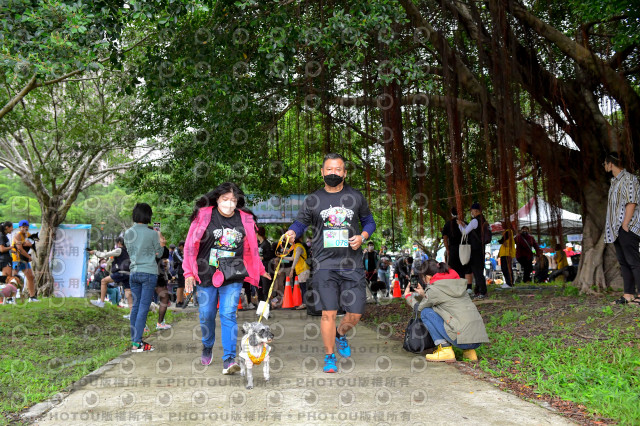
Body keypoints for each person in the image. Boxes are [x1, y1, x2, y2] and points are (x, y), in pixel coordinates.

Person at [283, 153, 376, 373]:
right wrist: (291, 232)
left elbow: (369, 221)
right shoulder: (313, 199)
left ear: (344, 173)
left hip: (351, 264)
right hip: (324, 264)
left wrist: (362, 237)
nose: (333, 173)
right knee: (328, 313)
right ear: (322, 172)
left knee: (355, 313)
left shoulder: (355, 197)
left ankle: (340, 333)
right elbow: (300, 222)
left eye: (338, 170)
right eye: (329, 170)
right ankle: (329, 356)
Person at [183, 182, 270, 372]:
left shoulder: (245, 219)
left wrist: (260, 269)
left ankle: (229, 359)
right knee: (206, 314)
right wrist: (188, 272)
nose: (229, 204)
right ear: (217, 199)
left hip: (233, 274)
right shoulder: (204, 215)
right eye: (225, 199)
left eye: (233, 200)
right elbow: (190, 245)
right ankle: (207, 345)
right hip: (207, 273)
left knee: (228, 314)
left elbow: (251, 249)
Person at [404, 259, 489, 362]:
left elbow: (419, 307)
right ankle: (470, 352)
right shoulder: (457, 284)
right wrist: (424, 293)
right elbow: (442, 299)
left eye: (423, 278)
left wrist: (408, 296)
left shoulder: (435, 289)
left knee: (426, 312)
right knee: (458, 315)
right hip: (477, 339)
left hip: (461, 339)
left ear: (427, 277)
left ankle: (445, 350)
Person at [124, 203, 166, 352]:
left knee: (135, 306)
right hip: (148, 272)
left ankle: (134, 339)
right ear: (148, 215)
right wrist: (160, 241)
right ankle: (137, 343)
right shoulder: (152, 233)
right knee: (143, 307)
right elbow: (159, 253)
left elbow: (130, 251)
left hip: (134, 272)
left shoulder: (128, 232)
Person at [603, 152, 640, 305]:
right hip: (615, 229)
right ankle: (628, 294)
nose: (604, 166)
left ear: (610, 164)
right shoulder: (614, 182)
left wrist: (625, 224)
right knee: (623, 262)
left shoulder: (629, 179)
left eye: (604, 163)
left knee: (633, 261)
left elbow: (632, 202)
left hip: (627, 227)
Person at [90, 238, 133, 315]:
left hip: (121, 273)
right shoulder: (128, 251)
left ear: (119, 243)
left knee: (103, 281)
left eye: (116, 243)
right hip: (128, 273)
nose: (115, 245)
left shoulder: (119, 250)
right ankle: (132, 314)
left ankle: (101, 302)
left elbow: (105, 254)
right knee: (128, 293)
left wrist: (94, 252)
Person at [458, 203, 490, 299]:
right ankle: (479, 290)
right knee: (479, 270)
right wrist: (465, 225)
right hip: (481, 248)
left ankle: (482, 292)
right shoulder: (483, 220)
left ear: (476, 211)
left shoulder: (474, 221)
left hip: (474, 249)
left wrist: (460, 225)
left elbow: (464, 233)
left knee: (477, 271)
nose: (471, 212)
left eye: (472, 211)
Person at [442, 207, 471, 293]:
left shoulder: (447, 224)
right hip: (464, 248)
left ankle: (455, 287)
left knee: (454, 268)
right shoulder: (464, 223)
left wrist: (447, 249)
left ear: (451, 213)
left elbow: (445, 238)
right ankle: (468, 287)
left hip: (453, 249)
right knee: (465, 267)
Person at [11, 220, 39, 302]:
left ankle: (32, 297)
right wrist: (29, 257)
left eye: (26, 227)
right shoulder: (17, 236)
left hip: (24, 260)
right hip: (17, 260)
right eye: (23, 227)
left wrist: (29, 244)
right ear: (20, 228)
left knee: (30, 277)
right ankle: (10, 298)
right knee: (14, 279)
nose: (25, 228)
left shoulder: (28, 235)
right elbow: (19, 248)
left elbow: (33, 243)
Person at [285, 236, 311, 310]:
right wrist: (282, 257)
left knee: (303, 287)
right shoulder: (296, 247)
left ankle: (305, 304)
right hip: (301, 270)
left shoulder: (298, 247)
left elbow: (295, 259)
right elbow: (293, 258)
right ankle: (304, 303)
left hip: (303, 269)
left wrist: (292, 269)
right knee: (303, 287)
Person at [154, 245, 172, 330]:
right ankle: (160, 323)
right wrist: (162, 243)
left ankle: (142, 326)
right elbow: (166, 254)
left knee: (144, 301)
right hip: (156, 275)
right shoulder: (155, 244)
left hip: (144, 273)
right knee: (164, 297)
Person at [257, 227, 275, 303]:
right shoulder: (258, 244)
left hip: (266, 268)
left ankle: (267, 306)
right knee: (259, 288)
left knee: (265, 289)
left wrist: (262, 257)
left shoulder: (266, 243)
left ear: (258, 233)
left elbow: (270, 255)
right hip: (258, 269)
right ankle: (260, 306)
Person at [1, 222, 15, 288]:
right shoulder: (1, 236)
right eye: (12, 227)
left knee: (7, 280)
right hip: (4, 260)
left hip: (7, 258)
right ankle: (8, 298)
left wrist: (13, 251)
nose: (12, 229)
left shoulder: (5, 236)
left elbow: (5, 248)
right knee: (7, 279)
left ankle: (8, 297)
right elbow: (2, 249)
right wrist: (12, 247)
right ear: (7, 227)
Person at [173, 241, 186, 308]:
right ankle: (178, 301)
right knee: (179, 286)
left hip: (182, 270)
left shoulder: (179, 251)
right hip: (179, 271)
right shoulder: (176, 251)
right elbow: (181, 260)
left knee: (182, 286)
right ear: (181, 246)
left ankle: (181, 301)